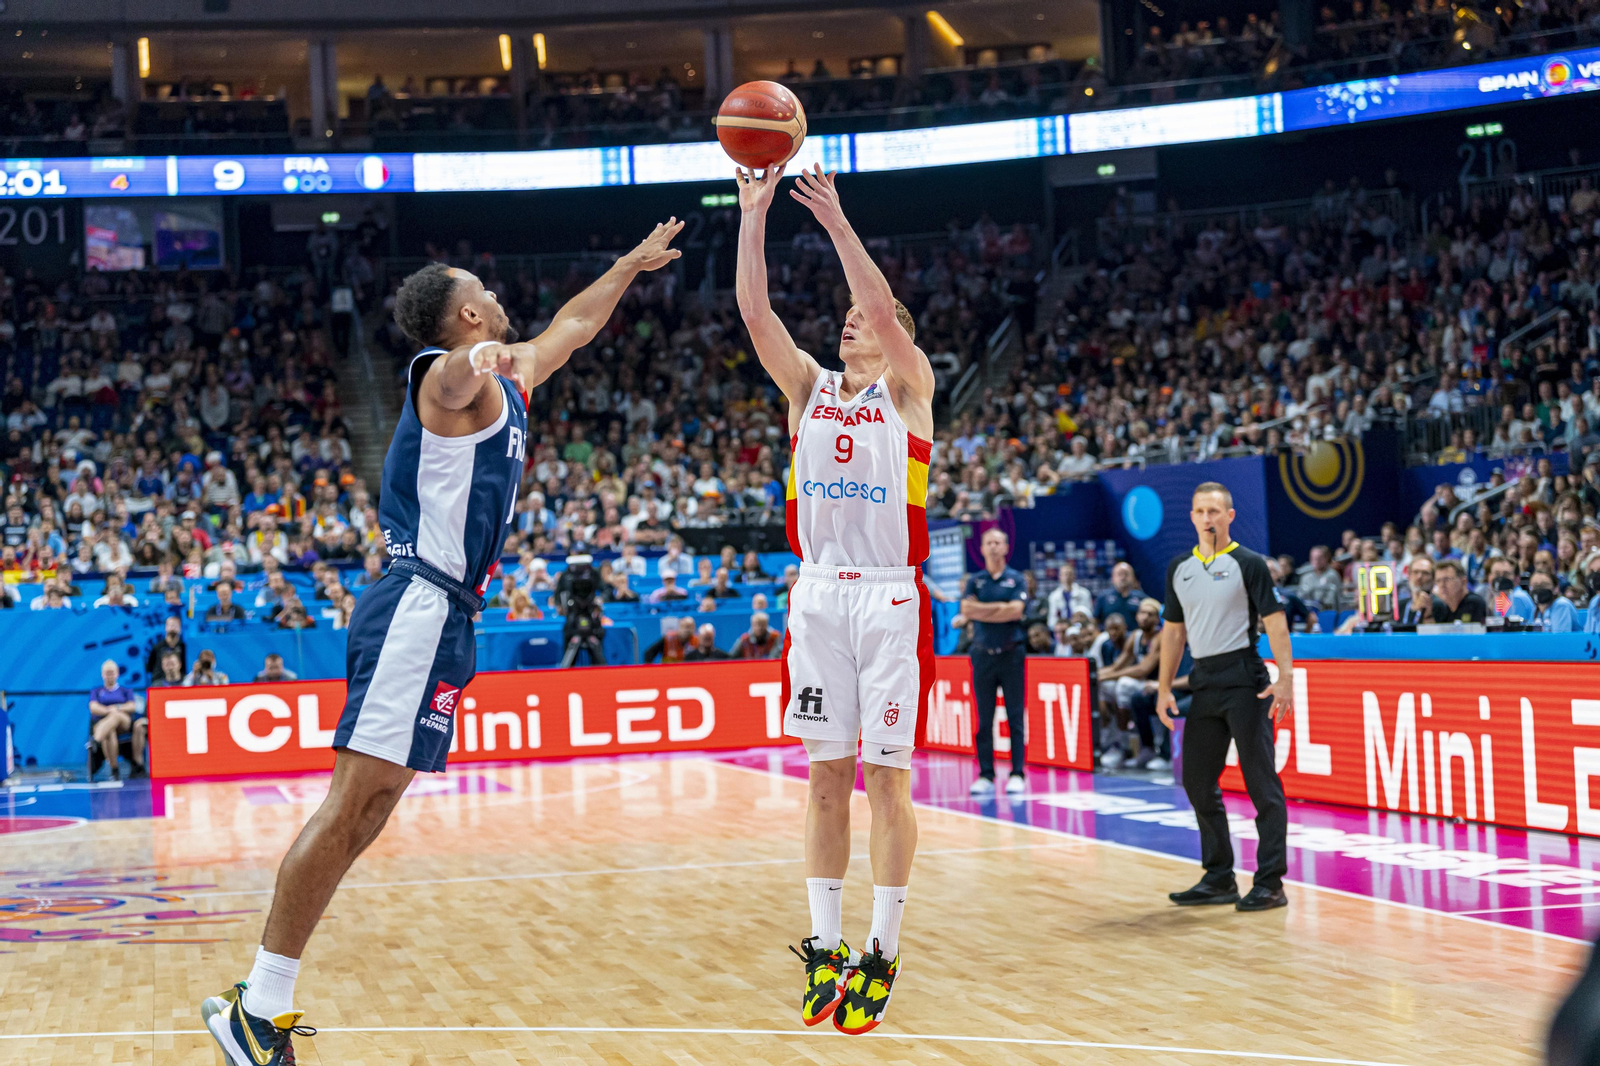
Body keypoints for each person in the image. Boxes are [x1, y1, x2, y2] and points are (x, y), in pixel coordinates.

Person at [200, 219, 684, 1065]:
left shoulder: (516, 370)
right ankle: (258, 1005)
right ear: (464, 318)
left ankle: (264, 1000)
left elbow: (571, 326)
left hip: (449, 615)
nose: (496, 298)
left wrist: (627, 267)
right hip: (416, 605)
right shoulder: (442, 376)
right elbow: (459, 379)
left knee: (377, 806)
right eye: (482, 294)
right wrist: (478, 360)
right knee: (352, 803)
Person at [738, 161, 935, 1034]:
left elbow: (886, 310)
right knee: (824, 781)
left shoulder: (908, 388)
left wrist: (837, 224)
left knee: (886, 782)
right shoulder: (808, 389)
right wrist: (752, 215)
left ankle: (882, 952)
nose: (852, 320)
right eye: (847, 317)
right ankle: (825, 948)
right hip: (818, 597)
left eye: (864, 318)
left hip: (890, 601)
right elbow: (755, 314)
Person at [1156, 482, 1294, 913]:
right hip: (1204, 680)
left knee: (1261, 784)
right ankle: (1219, 877)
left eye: (1215, 511)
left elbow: (1274, 621)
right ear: (1192, 517)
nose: (1207, 518)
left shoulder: (1248, 563)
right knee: (1197, 780)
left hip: (1245, 678)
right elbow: (1174, 632)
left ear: (1230, 516)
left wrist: (1285, 676)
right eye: (1200, 511)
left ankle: (1270, 882)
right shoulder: (1179, 567)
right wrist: (1163, 687)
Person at [960, 528, 1029, 797]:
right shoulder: (975, 581)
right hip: (982, 654)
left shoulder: (1016, 579)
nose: (992, 546)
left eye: (997, 542)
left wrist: (983, 610)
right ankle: (986, 774)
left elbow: (1016, 611)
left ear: (1006, 547)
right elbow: (966, 610)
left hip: (1011, 654)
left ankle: (1017, 773)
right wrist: (1000, 609)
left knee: (1014, 717)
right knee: (984, 717)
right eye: (988, 542)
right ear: (982, 548)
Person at [89, 659, 145, 780]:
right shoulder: (97, 691)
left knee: (115, 716)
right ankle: (114, 769)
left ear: (117, 673)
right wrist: (109, 710)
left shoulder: (125, 691)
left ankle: (95, 740)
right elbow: (93, 707)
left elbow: (132, 706)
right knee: (110, 732)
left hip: (123, 723)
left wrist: (116, 708)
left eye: (112, 672)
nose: (109, 675)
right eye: (107, 673)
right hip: (106, 725)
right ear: (102, 674)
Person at [1431, 558, 1487, 623]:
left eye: (1447, 579)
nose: (1442, 585)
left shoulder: (1474, 603)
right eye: (1438, 581)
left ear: (1463, 582)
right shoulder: (1444, 609)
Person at [1046, 561, 1093, 630]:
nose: (1067, 577)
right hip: (1061, 630)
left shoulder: (1084, 593)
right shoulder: (1053, 596)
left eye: (1069, 574)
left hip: (1080, 628)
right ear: (1060, 577)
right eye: (1064, 574)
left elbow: (1089, 615)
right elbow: (1052, 619)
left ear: (1074, 576)